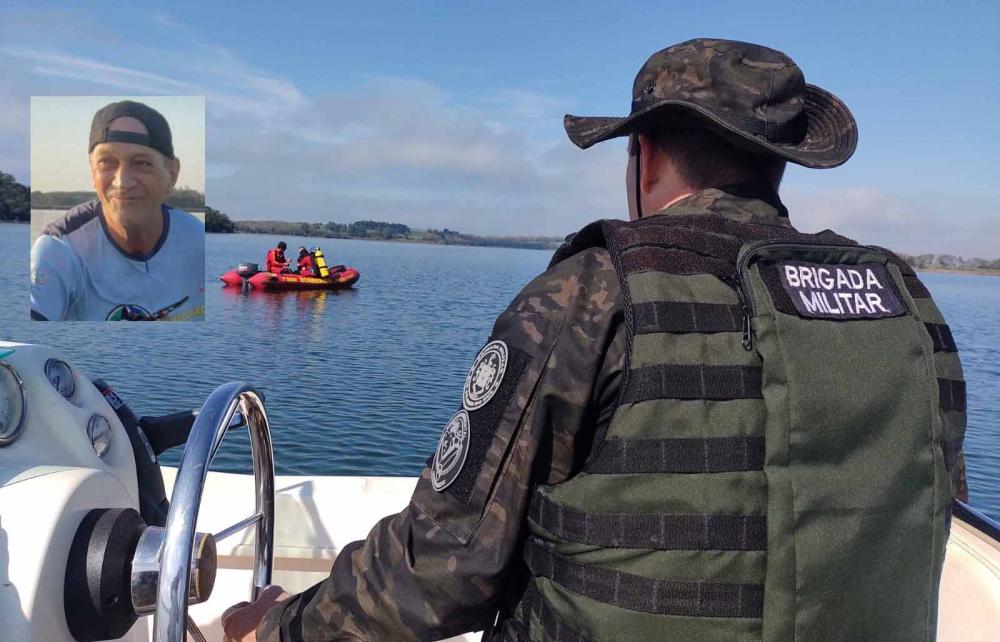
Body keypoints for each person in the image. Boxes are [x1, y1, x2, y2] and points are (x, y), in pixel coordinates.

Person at [224, 39, 968, 642]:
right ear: (778, 163)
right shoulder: (907, 303)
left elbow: (446, 568)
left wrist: (279, 627)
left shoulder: (595, 291)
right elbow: (930, 509)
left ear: (640, 155)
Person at [30, 100, 205, 321]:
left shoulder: (198, 241)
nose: (122, 182)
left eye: (142, 163)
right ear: (92, 171)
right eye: (107, 162)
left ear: (172, 173)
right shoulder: (60, 250)